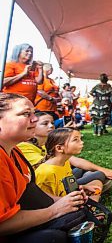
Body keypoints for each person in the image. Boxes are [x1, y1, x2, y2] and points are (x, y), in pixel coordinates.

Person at [0, 93, 86, 242]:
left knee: (76, 213)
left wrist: (63, 201)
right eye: (26, 114)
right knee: (54, 238)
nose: (34, 119)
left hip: (24, 215)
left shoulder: (14, 151)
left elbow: (30, 192)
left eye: (34, 113)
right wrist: (54, 211)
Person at [18, 111, 112, 192]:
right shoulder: (25, 148)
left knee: (81, 170)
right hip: (49, 184)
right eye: (45, 123)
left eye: (52, 123)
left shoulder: (49, 149)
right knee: (97, 175)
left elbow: (74, 161)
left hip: (60, 180)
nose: (51, 126)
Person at [35, 127, 103, 202]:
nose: (82, 142)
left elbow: (70, 185)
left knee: (97, 183)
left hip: (69, 196)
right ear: (59, 148)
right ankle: (92, 208)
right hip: (58, 206)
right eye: (75, 140)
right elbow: (42, 200)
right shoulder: (46, 173)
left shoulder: (65, 162)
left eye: (80, 139)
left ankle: (91, 206)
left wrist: (83, 187)